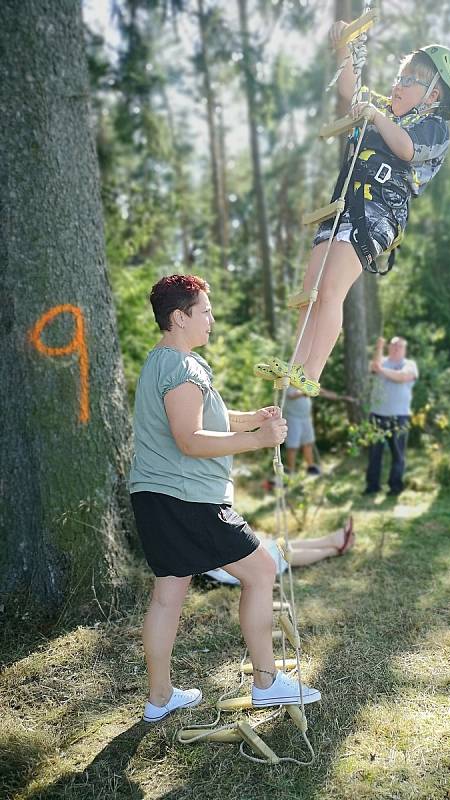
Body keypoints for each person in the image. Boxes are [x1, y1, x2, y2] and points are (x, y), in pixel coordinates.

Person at [129, 274, 321, 724]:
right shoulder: (184, 367)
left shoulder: (162, 362)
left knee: (167, 597)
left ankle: (159, 698)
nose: (212, 320)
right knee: (262, 570)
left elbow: (205, 419)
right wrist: (259, 440)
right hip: (189, 499)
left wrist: (250, 419)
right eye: (206, 312)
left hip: (156, 497)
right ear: (179, 317)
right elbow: (191, 439)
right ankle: (268, 684)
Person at [255, 24, 450, 397]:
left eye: (411, 81)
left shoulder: (434, 128)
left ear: (434, 95)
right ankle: (297, 362)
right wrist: (344, 50)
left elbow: (404, 148)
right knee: (312, 291)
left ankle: (312, 370)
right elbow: (349, 90)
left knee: (332, 289)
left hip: (378, 214)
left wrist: (376, 117)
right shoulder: (382, 109)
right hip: (343, 205)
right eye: (399, 77)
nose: (398, 85)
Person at [204, 517, 355, 585]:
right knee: (279, 554)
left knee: (278, 545)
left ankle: (331, 541)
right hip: (226, 566)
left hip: (223, 557)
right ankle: (333, 549)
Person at [365, 336, 418, 496]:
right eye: (393, 346)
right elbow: (374, 368)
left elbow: (402, 377)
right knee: (374, 453)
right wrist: (379, 347)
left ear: (404, 349)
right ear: (389, 347)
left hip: (399, 417)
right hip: (377, 415)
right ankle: (372, 486)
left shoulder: (410, 364)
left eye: (399, 346)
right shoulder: (382, 361)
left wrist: (382, 370)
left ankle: (395, 487)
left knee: (398, 454)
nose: (396, 349)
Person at [284, 385, 354, 474]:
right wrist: (305, 391)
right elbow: (291, 396)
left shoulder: (303, 381)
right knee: (292, 446)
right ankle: (290, 471)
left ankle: (311, 467)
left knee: (308, 443)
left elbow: (322, 392)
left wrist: (343, 397)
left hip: (305, 417)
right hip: (293, 417)